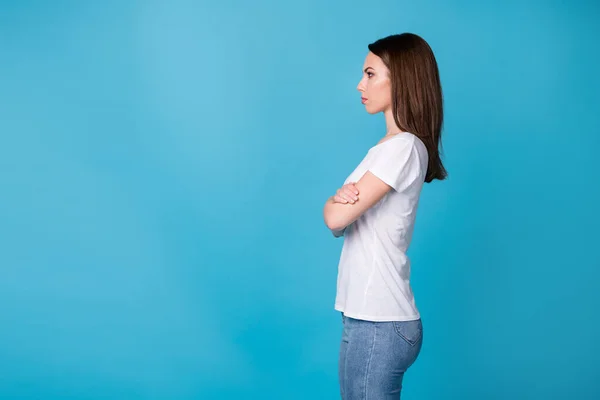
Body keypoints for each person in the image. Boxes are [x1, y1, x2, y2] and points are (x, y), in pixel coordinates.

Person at [322, 33, 448, 399]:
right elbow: (335, 218)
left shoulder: (403, 148)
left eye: (371, 74)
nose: (360, 84)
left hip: (380, 319)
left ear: (402, 80)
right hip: (367, 316)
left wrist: (337, 206)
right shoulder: (386, 149)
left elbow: (334, 219)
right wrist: (337, 205)